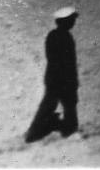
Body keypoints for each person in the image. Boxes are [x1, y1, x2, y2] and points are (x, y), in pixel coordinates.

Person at [26, 8, 79, 141]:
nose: (73, 22)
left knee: (60, 104)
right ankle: (37, 133)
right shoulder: (63, 36)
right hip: (61, 79)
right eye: (71, 20)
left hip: (55, 78)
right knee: (65, 104)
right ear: (64, 21)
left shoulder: (55, 35)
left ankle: (34, 132)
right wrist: (70, 79)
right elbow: (64, 61)